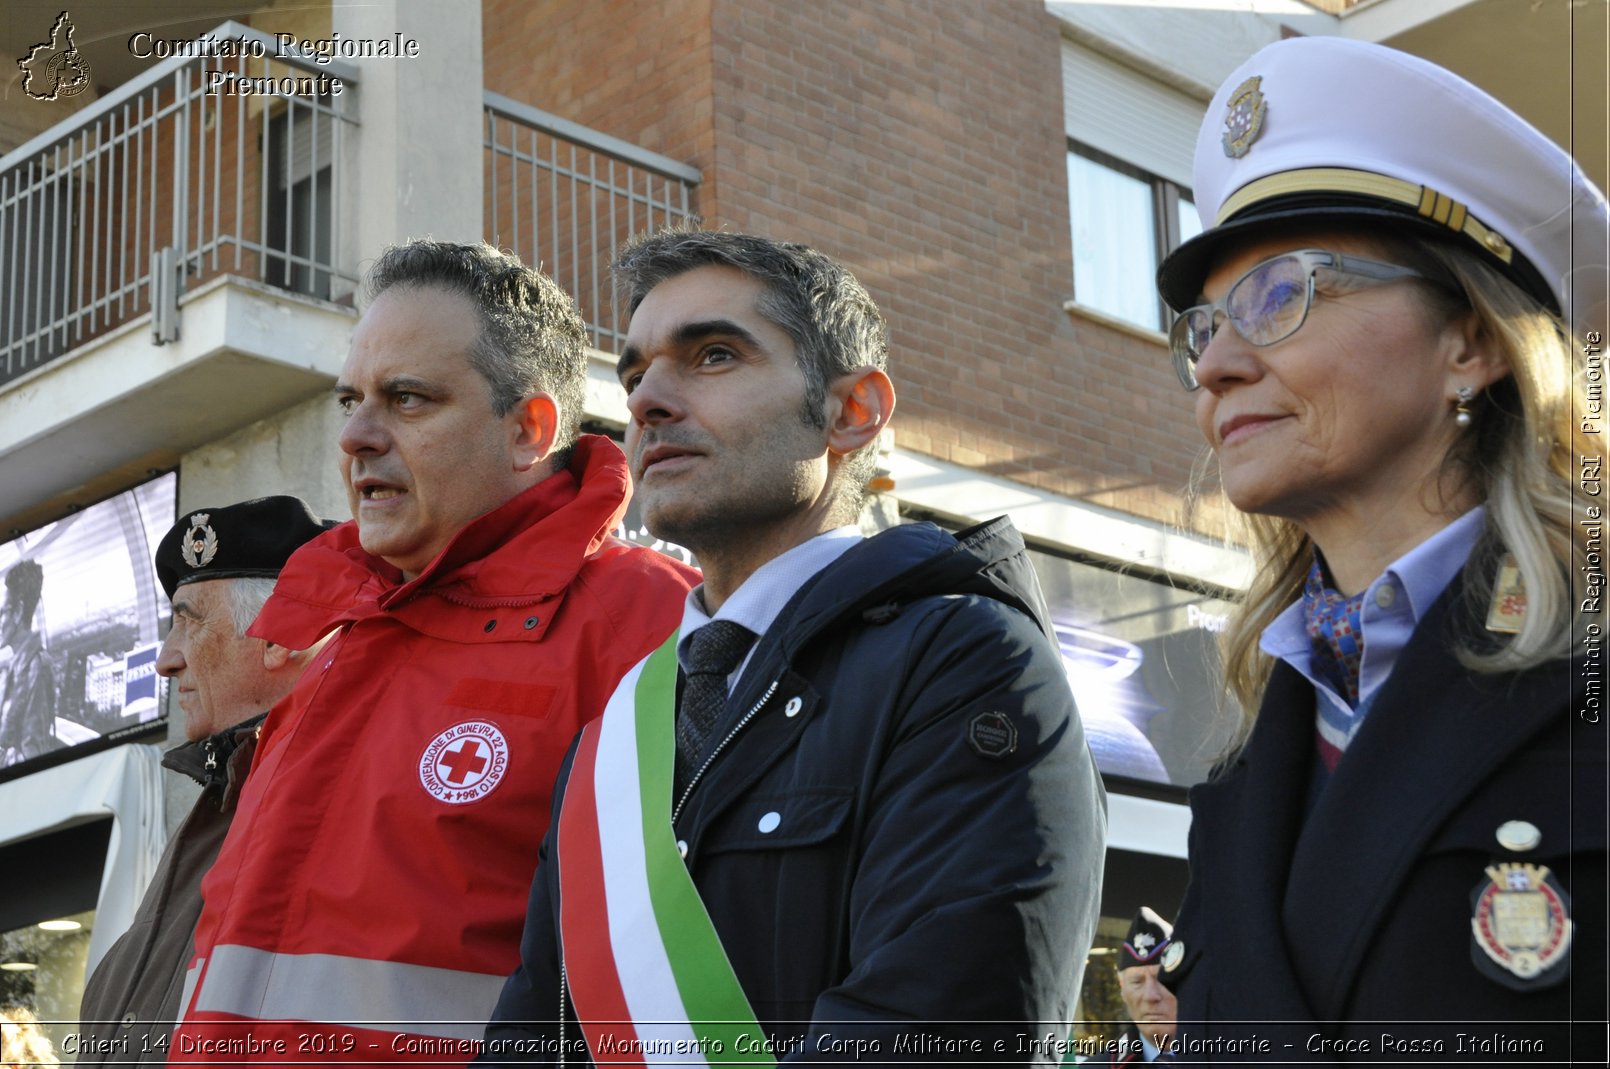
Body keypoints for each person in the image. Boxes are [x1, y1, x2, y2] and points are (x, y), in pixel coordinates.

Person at [481, 231, 1106, 1065]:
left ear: (852, 412)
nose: (646, 401)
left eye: (710, 355)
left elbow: (937, 1029)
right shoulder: (618, 731)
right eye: (634, 374)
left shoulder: (967, 661)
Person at [1151, 37, 1607, 1060]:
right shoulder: (1242, 752)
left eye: (1277, 296)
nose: (1215, 365)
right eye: (1201, 327)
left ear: (1471, 342)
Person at [171, 242, 698, 1061]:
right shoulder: (340, 634)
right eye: (350, 399)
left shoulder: (655, 623)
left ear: (529, 428)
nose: (354, 435)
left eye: (406, 399)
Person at [74, 496, 332, 1065]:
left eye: (188, 623)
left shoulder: (341, 805)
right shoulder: (224, 803)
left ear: (281, 636)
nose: (166, 660)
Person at [0, 559, 57, 766]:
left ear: (17, 612)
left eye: (1, 613)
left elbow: (34, 754)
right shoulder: (16, 667)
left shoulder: (36, 668)